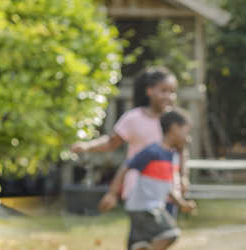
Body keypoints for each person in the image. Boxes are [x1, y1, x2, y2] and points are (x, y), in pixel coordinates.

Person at [97, 110, 196, 250]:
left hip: (147, 206)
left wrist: (181, 204)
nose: (188, 138)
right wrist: (112, 194)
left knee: (138, 249)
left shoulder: (170, 155)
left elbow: (167, 187)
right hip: (145, 207)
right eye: (186, 132)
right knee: (171, 234)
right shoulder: (152, 151)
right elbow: (126, 167)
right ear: (174, 129)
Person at [72, 66, 189, 207]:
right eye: (164, 91)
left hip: (168, 191)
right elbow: (112, 142)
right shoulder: (133, 118)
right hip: (139, 191)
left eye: (172, 92)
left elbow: (182, 150)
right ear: (149, 91)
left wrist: (183, 177)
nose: (169, 96)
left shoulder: (174, 121)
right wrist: (87, 146)